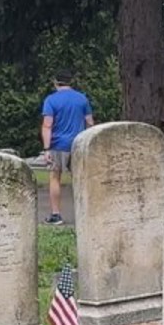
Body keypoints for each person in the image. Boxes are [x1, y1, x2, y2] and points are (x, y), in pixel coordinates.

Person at [39, 70, 93, 225]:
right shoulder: (82, 98)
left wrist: (47, 148)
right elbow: (89, 122)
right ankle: (86, 212)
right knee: (80, 179)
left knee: (55, 177)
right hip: (78, 144)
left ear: (56, 83)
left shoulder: (51, 100)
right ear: (71, 82)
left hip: (58, 145)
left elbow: (47, 125)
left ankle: (56, 214)